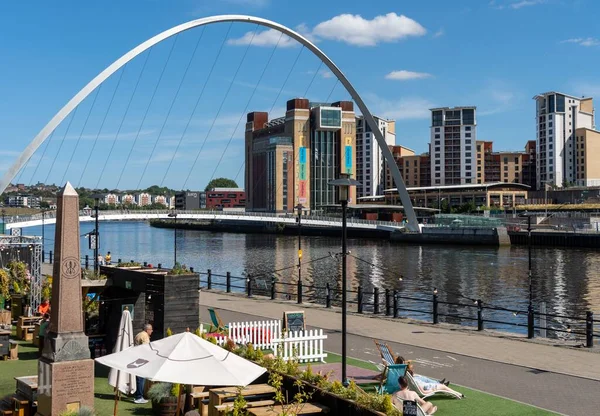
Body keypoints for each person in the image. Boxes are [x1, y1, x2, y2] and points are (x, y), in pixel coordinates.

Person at [398, 357, 463, 398]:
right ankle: (458, 394)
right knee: (442, 386)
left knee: (423, 378)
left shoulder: (403, 374)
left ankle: (456, 393)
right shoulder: (411, 378)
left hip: (421, 386)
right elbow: (422, 391)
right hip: (424, 388)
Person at [133, 323, 153, 404]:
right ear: (147, 330)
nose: (152, 331)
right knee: (141, 379)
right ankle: (139, 397)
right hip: (142, 360)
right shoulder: (145, 336)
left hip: (136, 358)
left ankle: (137, 395)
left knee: (139, 379)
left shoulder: (138, 334)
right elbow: (146, 349)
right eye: (151, 329)